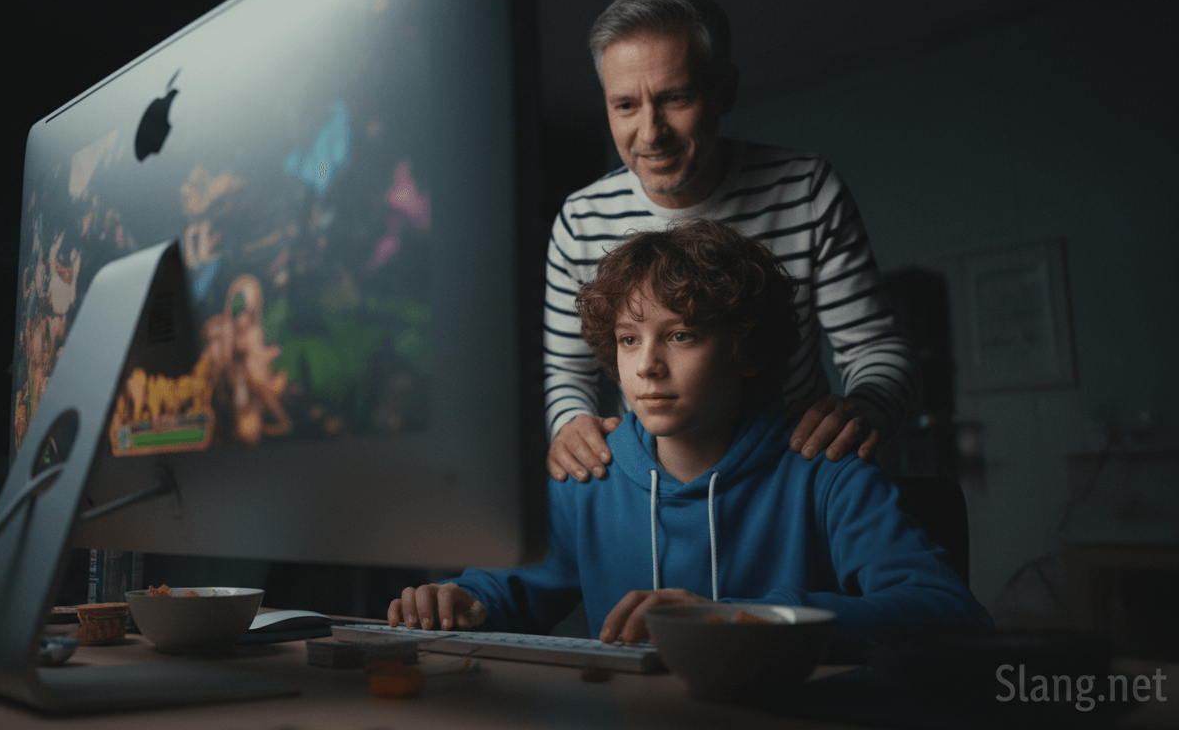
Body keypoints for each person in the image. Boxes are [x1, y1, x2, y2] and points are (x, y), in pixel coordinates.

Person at [389, 219, 990, 657]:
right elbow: (507, 587)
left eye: (680, 336)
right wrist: (459, 598)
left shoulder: (824, 469)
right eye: (629, 339)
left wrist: (738, 620)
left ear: (746, 347)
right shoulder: (591, 476)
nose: (646, 366)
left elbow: (950, 612)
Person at [546, 0, 915, 484]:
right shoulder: (580, 218)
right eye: (625, 105)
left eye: (676, 97)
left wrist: (865, 408)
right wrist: (570, 427)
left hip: (792, 478)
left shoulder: (808, 189)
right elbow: (567, 373)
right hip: (654, 492)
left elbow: (874, 348)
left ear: (726, 91)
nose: (651, 133)